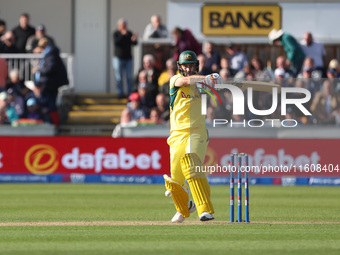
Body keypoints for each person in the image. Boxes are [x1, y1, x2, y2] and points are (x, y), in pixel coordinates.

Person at [164, 50, 220, 223]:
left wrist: (218, 81)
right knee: (175, 180)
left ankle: (205, 210)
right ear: (180, 67)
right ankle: (185, 207)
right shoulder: (175, 80)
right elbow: (186, 81)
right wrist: (209, 78)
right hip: (177, 134)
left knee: (191, 162)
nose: (188, 69)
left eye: (191, 65)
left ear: (196, 66)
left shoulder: (203, 84)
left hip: (197, 132)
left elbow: (218, 96)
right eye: (185, 66)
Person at [33, 38, 69, 125]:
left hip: (50, 85)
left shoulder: (51, 55)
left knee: (50, 106)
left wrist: (39, 69)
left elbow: (49, 68)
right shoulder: (50, 54)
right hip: (48, 85)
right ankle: (50, 123)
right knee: (47, 106)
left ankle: (54, 124)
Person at [113, 18, 138, 98]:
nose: (124, 27)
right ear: (119, 26)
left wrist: (134, 40)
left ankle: (129, 94)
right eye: (122, 26)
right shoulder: (116, 33)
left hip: (128, 59)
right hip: (118, 58)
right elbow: (117, 42)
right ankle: (120, 94)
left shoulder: (129, 33)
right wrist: (123, 35)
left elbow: (134, 44)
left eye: (125, 26)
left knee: (129, 77)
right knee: (119, 77)